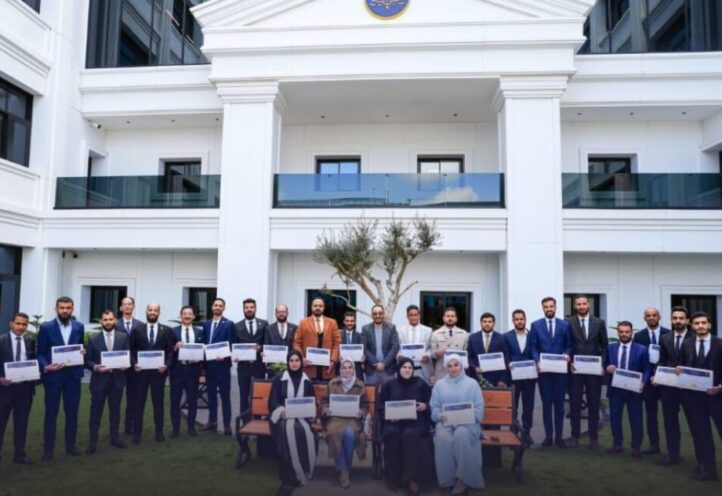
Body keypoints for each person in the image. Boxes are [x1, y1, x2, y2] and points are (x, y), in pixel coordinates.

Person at [37, 296, 86, 460]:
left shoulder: (79, 327)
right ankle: (48, 449)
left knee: (72, 412)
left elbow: (80, 346)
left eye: (68, 308)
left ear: (72, 309)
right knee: (51, 413)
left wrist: (83, 351)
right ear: (56, 309)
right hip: (53, 376)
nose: (65, 311)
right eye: (62, 308)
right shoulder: (46, 328)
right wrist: (46, 366)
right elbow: (40, 352)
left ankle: (70, 446)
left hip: (73, 376)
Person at [677, 311, 722, 481]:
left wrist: (720, 387)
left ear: (709, 325)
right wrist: (679, 369)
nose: (700, 326)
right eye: (697, 323)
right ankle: (708, 470)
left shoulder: (720, 343)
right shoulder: (687, 344)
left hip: (718, 397)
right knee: (701, 434)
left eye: (704, 322)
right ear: (692, 326)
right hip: (694, 398)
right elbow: (681, 364)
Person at [430, 357, 485, 494]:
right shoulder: (439, 385)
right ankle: (448, 479)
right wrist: (439, 416)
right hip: (446, 423)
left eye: (456, 365)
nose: (453, 368)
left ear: (461, 366)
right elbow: (434, 408)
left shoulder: (472, 384)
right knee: (442, 437)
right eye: (449, 366)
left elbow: (479, 409)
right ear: (446, 368)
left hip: (468, 424)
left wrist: (467, 417)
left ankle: (464, 479)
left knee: (461, 435)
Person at [378, 357, 432, 495]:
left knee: (410, 435)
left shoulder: (420, 383)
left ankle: (412, 479)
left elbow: (431, 402)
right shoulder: (390, 385)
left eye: (410, 368)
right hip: (394, 422)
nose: (407, 370)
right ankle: (394, 477)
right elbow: (381, 407)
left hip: (416, 422)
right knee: (392, 434)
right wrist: (389, 415)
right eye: (404, 367)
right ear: (398, 369)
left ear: (413, 370)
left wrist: (425, 406)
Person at [268, 350, 318, 493]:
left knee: (306, 433)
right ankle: (289, 475)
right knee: (286, 430)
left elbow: (311, 402)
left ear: (301, 362)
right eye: (291, 360)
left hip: (301, 418)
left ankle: (304, 468)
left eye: (297, 360)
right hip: (282, 418)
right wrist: (281, 410)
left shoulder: (306, 381)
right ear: (288, 362)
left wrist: (310, 410)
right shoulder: (279, 379)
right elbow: (273, 401)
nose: (294, 363)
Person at [652, 306, 694, 466]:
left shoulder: (695, 337)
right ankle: (673, 455)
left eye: (681, 318)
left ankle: (702, 461)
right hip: (669, 388)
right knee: (670, 422)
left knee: (695, 423)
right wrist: (658, 374)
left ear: (687, 320)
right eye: (675, 318)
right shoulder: (665, 338)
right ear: (671, 320)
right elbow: (662, 360)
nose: (678, 321)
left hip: (690, 388)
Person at [529, 296, 572, 448]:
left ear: (555, 307)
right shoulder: (535, 325)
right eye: (546, 307)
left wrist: (567, 354)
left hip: (560, 372)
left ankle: (559, 438)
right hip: (544, 372)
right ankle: (548, 437)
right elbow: (533, 346)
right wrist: (537, 361)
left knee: (559, 405)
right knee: (547, 405)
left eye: (551, 306)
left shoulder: (565, 325)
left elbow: (569, 345)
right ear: (542, 308)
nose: (549, 309)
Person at [85, 309, 129, 453]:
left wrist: (126, 365)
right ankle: (92, 442)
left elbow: (128, 356)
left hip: (117, 380)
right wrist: (96, 367)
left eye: (110, 319)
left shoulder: (123, 337)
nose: (108, 322)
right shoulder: (93, 338)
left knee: (115, 411)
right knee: (95, 412)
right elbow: (87, 360)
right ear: (101, 322)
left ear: (115, 320)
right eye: (105, 320)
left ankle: (115, 438)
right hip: (99, 381)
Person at [567, 294, 608, 450]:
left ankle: (593, 438)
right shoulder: (568, 322)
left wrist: (602, 364)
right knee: (575, 404)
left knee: (594, 403)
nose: (581, 306)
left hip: (593, 370)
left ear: (588, 304)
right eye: (578, 304)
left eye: (584, 303)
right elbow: (567, 344)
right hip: (575, 370)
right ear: (574, 306)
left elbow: (605, 346)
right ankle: (575, 436)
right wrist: (569, 362)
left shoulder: (599, 322)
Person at [130, 302, 173, 444]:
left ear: (159, 312)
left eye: (155, 310)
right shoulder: (137, 329)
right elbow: (131, 351)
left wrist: (166, 365)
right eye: (150, 310)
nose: (152, 312)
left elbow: (170, 352)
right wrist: (134, 363)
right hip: (140, 373)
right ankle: (137, 434)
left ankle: (159, 433)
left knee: (158, 404)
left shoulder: (166, 330)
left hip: (158, 373)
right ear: (146, 311)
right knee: (138, 404)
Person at [606, 321, 650, 458]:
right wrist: (607, 367)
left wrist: (643, 382)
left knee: (636, 419)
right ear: (618, 332)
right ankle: (617, 444)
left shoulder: (642, 349)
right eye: (621, 332)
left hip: (634, 390)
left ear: (632, 332)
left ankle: (636, 447)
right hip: (616, 389)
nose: (624, 334)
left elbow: (647, 369)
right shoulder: (610, 347)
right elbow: (605, 363)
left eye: (627, 332)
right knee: (615, 418)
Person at [323, 358, 368, 489]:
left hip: (353, 419)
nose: (347, 370)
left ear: (354, 369)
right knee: (333, 433)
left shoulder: (360, 385)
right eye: (344, 367)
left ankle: (345, 468)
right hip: (335, 418)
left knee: (350, 435)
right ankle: (344, 470)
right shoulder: (332, 383)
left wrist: (361, 412)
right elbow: (325, 401)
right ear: (340, 369)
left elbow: (365, 405)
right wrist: (326, 410)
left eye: (350, 367)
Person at [633, 307, 671, 455]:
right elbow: (638, 358)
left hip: (666, 380)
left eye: (654, 315)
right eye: (648, 316)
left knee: (669, 415)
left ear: (659, 317)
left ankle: (672, 449)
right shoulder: (639, 336)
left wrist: (661, 375)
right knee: (651, 414)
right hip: (648, 381)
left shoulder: (668, 334)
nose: (651, 318)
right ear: (644, 318)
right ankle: (654, 445)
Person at [0, 312, 36, 464]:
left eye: (24, 324)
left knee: (21, 423)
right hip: (4, 390)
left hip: (24, 389)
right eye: (18, 323)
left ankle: (20, 454)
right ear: (11, 324)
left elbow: (33, 361)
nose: (21, 327)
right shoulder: (1, 340)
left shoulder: (30, 341)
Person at [170, 305, 204, 438]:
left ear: (193, 316)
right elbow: (168, 351)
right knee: (175, 400)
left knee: (192, 400)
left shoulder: (200, 332)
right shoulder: (173, 331)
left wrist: (199, 359)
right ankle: (175, 429)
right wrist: (174, 347)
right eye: (185, 314)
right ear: (180, 316)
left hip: (193, 371)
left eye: (190, 314)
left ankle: (191, 428)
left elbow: (204, 350)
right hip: (177, 371)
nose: (187, 316)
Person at [202, 297, 234, 434]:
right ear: (212, 307)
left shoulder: (229, 324)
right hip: (209, 366)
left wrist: (225, 354)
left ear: (223, 308)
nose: (218, 307)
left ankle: (227, 424)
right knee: (211, 396)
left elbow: (231, 344)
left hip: (223, 366)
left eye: (220, 305)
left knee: (225, 396)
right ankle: (212, 421)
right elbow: (203, 343)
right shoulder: (206, 324)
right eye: (216, 305)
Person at [504, 309, 536, 446]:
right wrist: (508, 363)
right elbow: (505, 355)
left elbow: (535, 352)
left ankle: (526, 434)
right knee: (513, 407)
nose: (519, 321)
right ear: (513, 321)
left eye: (521, 319)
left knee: (528, 407)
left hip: (529, 377)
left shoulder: (533, 336)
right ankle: (513, 433)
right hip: (513, 377)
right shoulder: (506, 336)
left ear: (525, 319)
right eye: (516, 319)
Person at [233, 298, 268, 414]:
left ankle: (258, 419)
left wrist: (261, 348)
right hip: (243, 367)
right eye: (246, 307)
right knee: (243, 396)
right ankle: (244, 421)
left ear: (255, 309)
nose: (249, 309)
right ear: (243, 309)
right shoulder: (237, 326)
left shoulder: (264, 324)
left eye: (251, 307)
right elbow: (234, 345)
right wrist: (235, 355)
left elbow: (267, 342)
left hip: (259, 366)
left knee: (259, 394)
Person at [294, 298, 341, 381]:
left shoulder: (332, 323)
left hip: (327, 367)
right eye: (315, 306)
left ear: (324, 307)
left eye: (320, 306)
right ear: (311, 307)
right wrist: (301, 358)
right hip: (309, 367)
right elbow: (296, 343)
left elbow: (337, 343)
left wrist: (333, 360)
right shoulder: (303, 323)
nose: (318, 308)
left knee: (326, 388)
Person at [115, 296, 142, 435]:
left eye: (129, 304)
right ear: (121, 307)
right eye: (124, 304)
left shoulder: (140, 325)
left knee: (133, 398)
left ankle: (129, 425)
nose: (127, 306)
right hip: (118, 366)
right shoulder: (114, 323)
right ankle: (114, 428)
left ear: (133, 307)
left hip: (135, 367)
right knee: (116, 398)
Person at [361, 305, 399, 387]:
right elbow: (364, 348)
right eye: (375, 314)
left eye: (380, 313)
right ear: (372, 315)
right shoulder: (365, 329)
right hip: (371, 370)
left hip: (388, 369)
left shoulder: (391, 328)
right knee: (371, 394)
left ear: (383, 314)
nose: (377, 316)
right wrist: (376, 363)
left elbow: (394, 347)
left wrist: (384, 363)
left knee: (389, 394)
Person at [467, 312, 509, 386]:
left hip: (495, 379)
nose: (487, 324)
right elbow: (469, 357)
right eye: (484, 321)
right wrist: (474, 368)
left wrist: (502, 379)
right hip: (476, 378)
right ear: (481, 323)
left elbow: (506, 359)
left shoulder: (501, 338)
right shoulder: (473, 338)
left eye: (490, 322)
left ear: (494, 323)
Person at [429, 307, 469, 384]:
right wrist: (437, 353)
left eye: (452, 316)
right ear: (443, 318)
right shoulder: (436, 334)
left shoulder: (464, 334)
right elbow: (432, 353)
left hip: (458, 372)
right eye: (448, 316)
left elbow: (466, 353)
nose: (450, 318)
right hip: (442, 372)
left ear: (456, 318)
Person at [396, 304, 433, 384]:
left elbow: (431, 347)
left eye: (415, 315)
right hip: (405, 370)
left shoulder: (428, 330)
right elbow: (397, 348)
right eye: (411, 315)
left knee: (423, 391)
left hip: (423, 369)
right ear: (407, 316)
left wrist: (428, 355)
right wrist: (399, 355)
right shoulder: (399, 331)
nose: (413, 317)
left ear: (419, 315)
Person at [339, 311, 365, 380]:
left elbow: (364, 352)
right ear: (344, 322)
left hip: (356, 370)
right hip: (341, 369)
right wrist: (337, 357)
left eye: (352, 321)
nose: (349, 323)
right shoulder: (338, 335)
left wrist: (364, 357)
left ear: (355, 322)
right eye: (347, 321)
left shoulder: (360, 336)